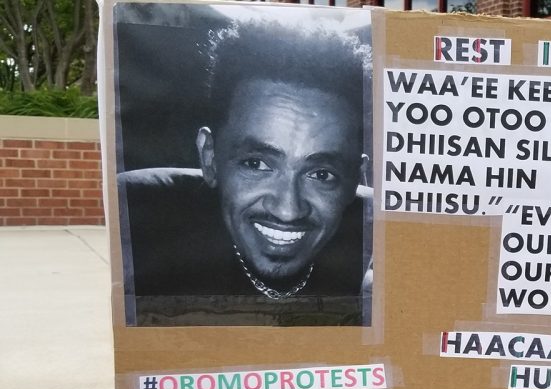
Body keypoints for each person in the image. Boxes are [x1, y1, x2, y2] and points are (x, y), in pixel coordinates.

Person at [119, 16, 372, 327]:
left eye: (321, 174)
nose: (288, 209)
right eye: (257, 164)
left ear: (355, 179)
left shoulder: (386, 245)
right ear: (210, 157)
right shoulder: (140, 231)